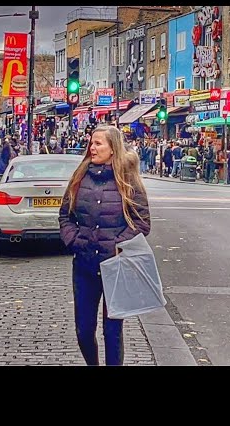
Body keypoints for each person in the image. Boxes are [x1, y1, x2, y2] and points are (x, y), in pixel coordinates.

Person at [58, 125, 151, 366]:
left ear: (113, 149)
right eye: (92, 143)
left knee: (112, 332)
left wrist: (117, 246)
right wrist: (75, 240)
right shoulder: (80, 177)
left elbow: (142, 223)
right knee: (84, 331)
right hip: (85, 265)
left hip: (115, 266)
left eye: (99, 143)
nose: (92, 147)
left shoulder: (128, 180)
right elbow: (65, 216)